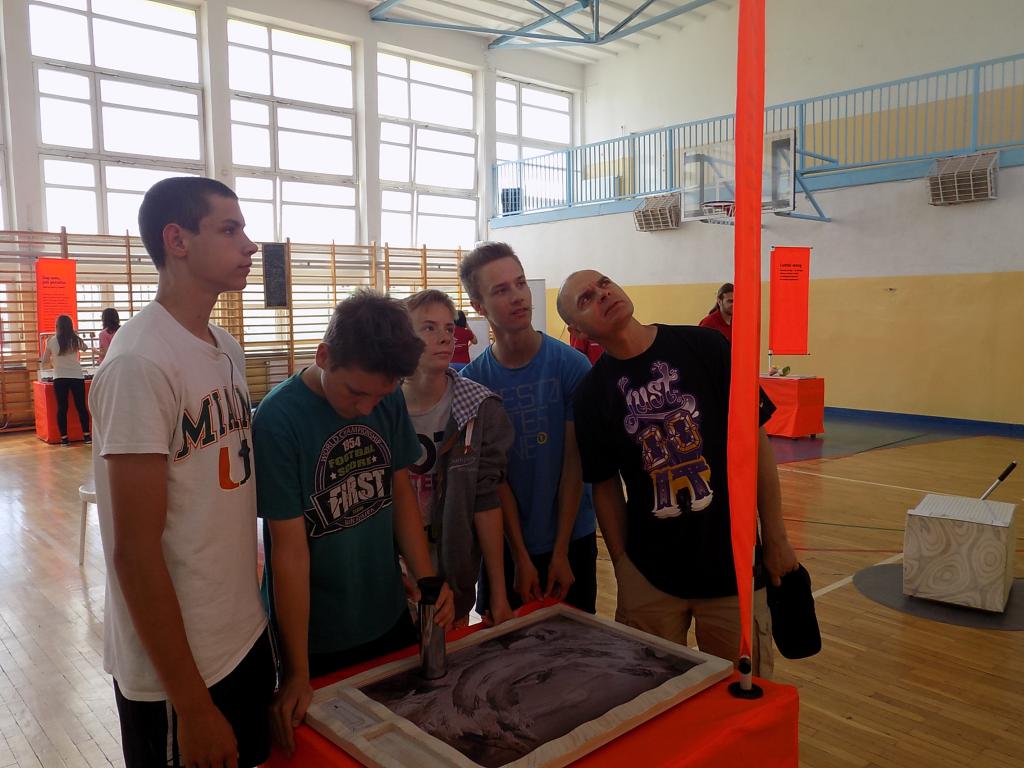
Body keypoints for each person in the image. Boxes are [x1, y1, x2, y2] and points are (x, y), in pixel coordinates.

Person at [89, 177, 273, 767]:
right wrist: (192, 707)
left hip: (240, 632)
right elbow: (134, 553)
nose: (249, 244)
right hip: (180, 671)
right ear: (178, 240)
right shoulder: (139, 361)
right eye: (230, 229)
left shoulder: (226, 347)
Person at [556, 270, 799, 676]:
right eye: (586, 299)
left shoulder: (705, 346)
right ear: (577, 330)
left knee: (740, 695)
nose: (603, 294)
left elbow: (754, 444)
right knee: (652, 696)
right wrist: (624, 568)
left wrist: (776, 538)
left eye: (604, 283)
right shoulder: (592, 394)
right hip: (651, 576)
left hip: (732, 567)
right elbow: (604, 485)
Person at [254, 290, 455, 756]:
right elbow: (288, 551)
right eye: (356, 393)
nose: (367, 408)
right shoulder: (278, 419)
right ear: (324, 356)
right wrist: (297, 671)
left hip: (386, 613)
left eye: (379, 395)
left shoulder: (385, 396)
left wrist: (427, 579)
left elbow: (400, 491)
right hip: (317, 633)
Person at [459, 242, 598, 614]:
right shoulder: (473, 384)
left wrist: (561, 552)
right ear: (478, 306)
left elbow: (574, 465)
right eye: (501, 290)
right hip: (504, 544)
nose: (518, 296)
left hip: (572, 539)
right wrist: (520, 555)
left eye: (520, 283)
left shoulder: (572, 366)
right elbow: (493, 478)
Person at [402, 289, 515, 627]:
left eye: (449, 328)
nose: (445, 338)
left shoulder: (479, 406)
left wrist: (497, 593)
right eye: (429, 328)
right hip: (393, 583)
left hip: (453, 580)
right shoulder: (379, 406)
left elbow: (486, 500)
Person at [40, 314, 91, 446]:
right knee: (81, 407)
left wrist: (53, 362)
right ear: (70, 326)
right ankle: (87, 436)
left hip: (60, 377)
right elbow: (85, 347)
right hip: (76, 376)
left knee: (62, 408)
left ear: (57, 326)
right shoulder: (75, 339)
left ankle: (64, 439)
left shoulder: (51, 340)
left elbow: (45, 360)